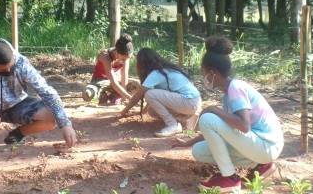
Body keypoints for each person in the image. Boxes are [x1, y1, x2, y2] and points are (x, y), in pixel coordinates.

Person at [171, 36, 284, 192]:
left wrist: (213, 109)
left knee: (208, 117)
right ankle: (261, 166)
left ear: (213, 72)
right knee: (199, 150)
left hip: (267, 145)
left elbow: (244, 126)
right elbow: (220, 130)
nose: (204, 77)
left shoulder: (236, 88)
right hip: (260, 145)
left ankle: (229, 178)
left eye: (204, 72)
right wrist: (188, 142)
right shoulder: (228, 94)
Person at [119, 47, 201, 137]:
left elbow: (138, 95)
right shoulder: (166, 69)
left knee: (150, 94)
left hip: (188, 101)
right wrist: (144, 111)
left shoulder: (156, 73)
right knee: (152, 111)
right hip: (193, 101)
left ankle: (172, 125)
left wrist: (124, 111)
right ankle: (185, 119)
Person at [82, 33, 137, 105]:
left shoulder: (126, 57)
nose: (125, 61)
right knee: (87, 94)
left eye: (127, 59)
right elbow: (113, 82)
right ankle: (101, 96)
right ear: (117, 52)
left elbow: (124, 76)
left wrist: (124, 97)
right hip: (100, 82)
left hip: (116, 82)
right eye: (123, 59)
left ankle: (114, 97)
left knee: (136, 85)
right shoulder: (105, 56)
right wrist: (129, 97)